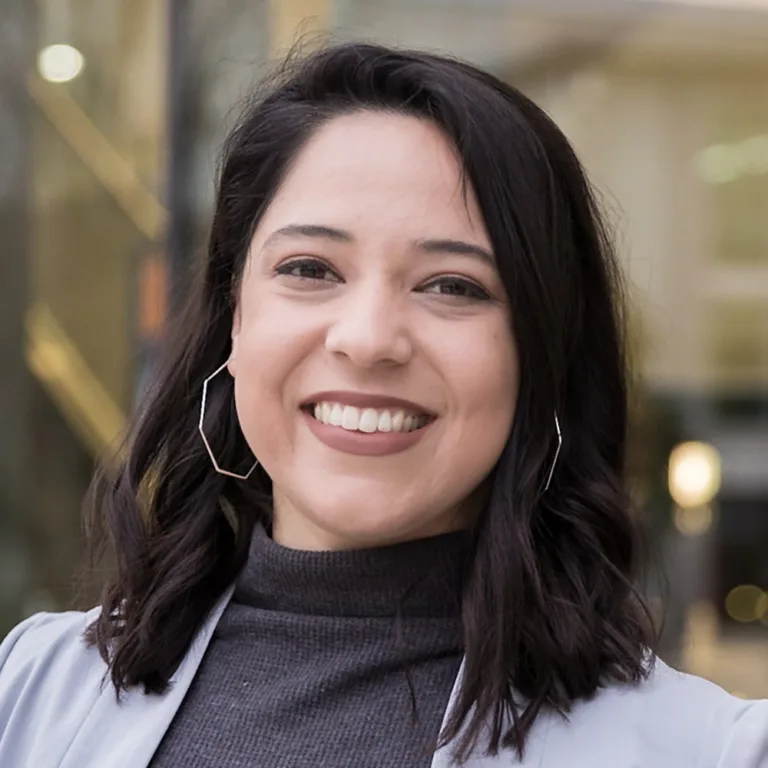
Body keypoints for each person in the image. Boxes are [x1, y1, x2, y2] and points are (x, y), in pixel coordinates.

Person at [0, 41, 765, 768]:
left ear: (542, 353)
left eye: (452, 286)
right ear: (237, 316)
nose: (367, 341)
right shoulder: (30, 694)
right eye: (309, 268)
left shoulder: (706, 749)